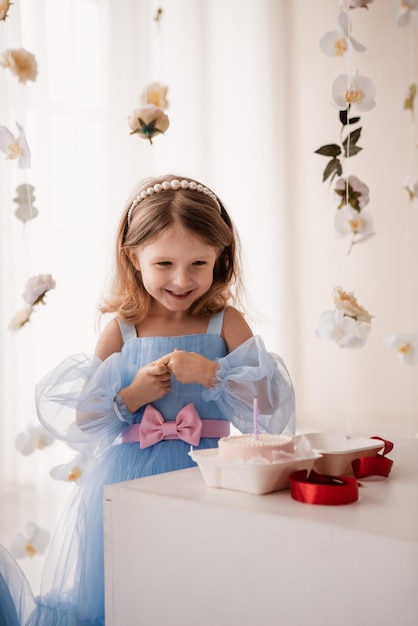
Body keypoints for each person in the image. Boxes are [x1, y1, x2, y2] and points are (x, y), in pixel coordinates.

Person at [0, 174, 296, 625]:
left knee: (201, 589)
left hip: (211, 477)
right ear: (133, 257)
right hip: (128, 480)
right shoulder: (123, 328)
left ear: (222, 257)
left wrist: (213, 374)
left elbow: (268, 402)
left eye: (199, 263)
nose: (182, 279)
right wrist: (132, 394)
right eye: (164, 264)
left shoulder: (226, 321)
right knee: (132, 590)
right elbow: (84, 417)